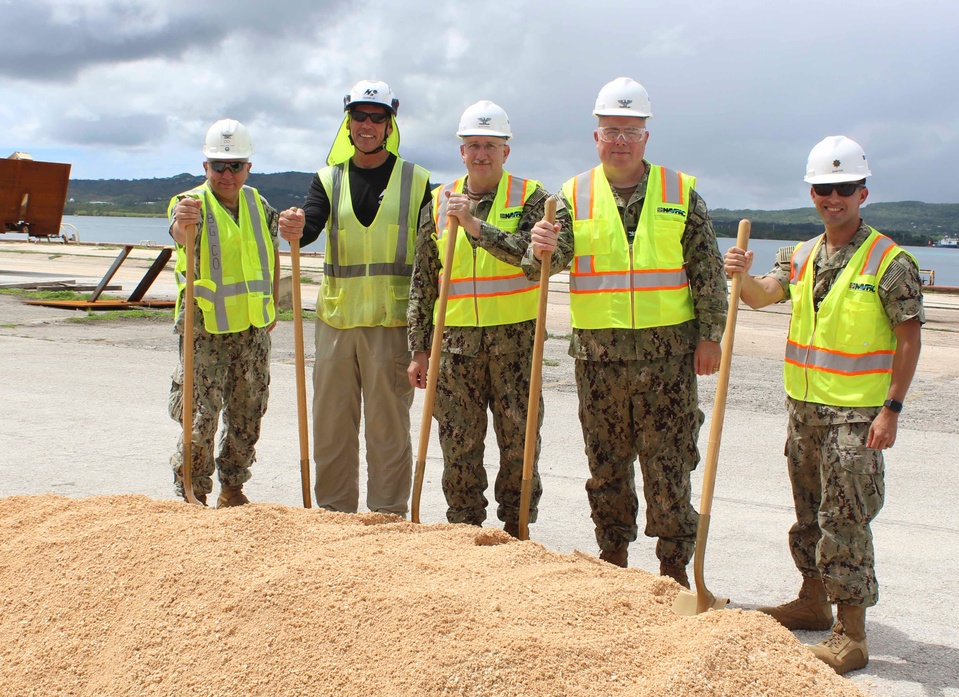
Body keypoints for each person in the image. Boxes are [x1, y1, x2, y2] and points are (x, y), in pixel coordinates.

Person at [722, 135, 923, 675]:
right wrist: (740, 276)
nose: (832, 197)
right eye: (822, 189)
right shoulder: (803, 255)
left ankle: (851, 634)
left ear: (862, 192)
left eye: (843, 188)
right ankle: (813, 601)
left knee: (846, 518)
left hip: (857, 417)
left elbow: (908, 338)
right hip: (805, 411)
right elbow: (765, 294)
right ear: (811, 193)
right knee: (808, 513)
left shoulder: (890, 261)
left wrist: (892, 410)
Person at [530, 78, 728, 585]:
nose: (620, 140)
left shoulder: (679, 192)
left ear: (646, 136)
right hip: (599, 359)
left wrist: (711, 337)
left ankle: (672, 571)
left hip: (668, 357)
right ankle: (613, 558)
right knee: (606, 463)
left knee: (670, 463)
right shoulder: (571, 196)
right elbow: (545, 266)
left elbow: (705, 270)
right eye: (611, 130)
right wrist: (539, 246)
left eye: (630, 131)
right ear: (597, 137)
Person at [407, 101, 573, 536]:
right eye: (473, 145)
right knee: (458, 445)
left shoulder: (538, 199)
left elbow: (539, 261)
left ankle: (516, 531)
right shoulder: (438, 201)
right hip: (455, 345)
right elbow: (424, 280)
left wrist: (477, 229)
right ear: (461, 151)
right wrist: (419, 349)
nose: (482, 154)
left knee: (519, 445)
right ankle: (465, 532)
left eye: (491, 146)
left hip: (516, 344)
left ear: (506, 152)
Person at [279, 80, 431, 516]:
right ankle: (333, 514)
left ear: (389, 124)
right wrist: (293, 226)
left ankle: (387, 517)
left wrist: (422, 341)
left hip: (392, 326)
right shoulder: (328, 179)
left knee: (388, 431)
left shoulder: (417, 181)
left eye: (376, 117)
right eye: (359, 116)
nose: (367, 125)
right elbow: (309, 225)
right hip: (336, 324)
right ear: (347, 123)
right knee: (330, 428)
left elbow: (432, 258)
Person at [167, 118, 280, 508]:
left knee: (249, 413)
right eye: (219, 166)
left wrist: (272, 306)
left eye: (235, 166)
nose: (227, 174)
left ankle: (234, 487)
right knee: (200, 415)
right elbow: (180, 234)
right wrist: (183, 224)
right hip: (205, 330)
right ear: (206, 168)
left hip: (251, 329)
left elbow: (272, 255)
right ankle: (192, 489)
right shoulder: (189, 204)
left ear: (248, 167)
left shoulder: (259, 205)